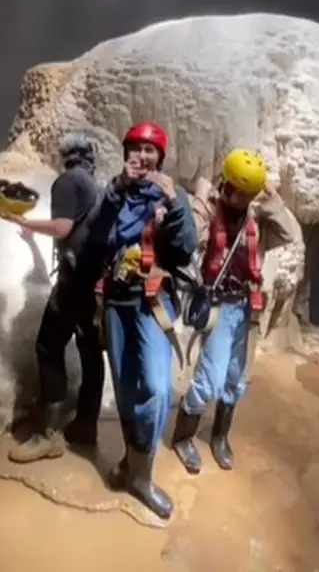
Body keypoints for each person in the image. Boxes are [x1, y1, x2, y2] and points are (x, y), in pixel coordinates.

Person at [94, 122, 197, 520]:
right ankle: (132, 466)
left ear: (161, 158)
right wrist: (115, 190)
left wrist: (174, 202)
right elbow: (96, 239)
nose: (142, 156)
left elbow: (185, 247)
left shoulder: (171, 196)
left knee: (155, 388)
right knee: (124, 384)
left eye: (150, 151)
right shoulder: (115, 193)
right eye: (135, 149)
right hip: (118, 301)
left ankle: (142, 472)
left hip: (152, 301)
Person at [172, 148, 295, 475]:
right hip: (218, 307)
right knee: (209, 378)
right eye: (238, 191)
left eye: (249, 193)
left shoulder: (258, 221)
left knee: (236, 379)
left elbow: (290, 233)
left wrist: (271, 200)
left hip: (247, 308)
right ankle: (183, 437)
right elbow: (189, 240)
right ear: (227, 185)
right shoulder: (213, 213)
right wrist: (202, 200)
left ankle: (220, 436)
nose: (242, 199)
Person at [2, 132, 106, 463]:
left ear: (64, 155)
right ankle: (86, 427)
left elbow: (62, 228)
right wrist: (34, 239)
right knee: (91, 354)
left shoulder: (66, 182)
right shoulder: (94, 184)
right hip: (96, 285)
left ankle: (48, 435)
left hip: (74, 285)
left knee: (48, 346)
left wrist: (24, 220)